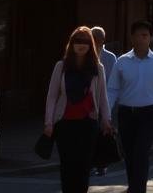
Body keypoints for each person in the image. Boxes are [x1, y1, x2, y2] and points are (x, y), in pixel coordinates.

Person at [106, 20, 153, 193]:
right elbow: (112, 90)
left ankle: (137, 189)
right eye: (138, 35)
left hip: (149, 113)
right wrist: (106, 115)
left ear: (151, 38)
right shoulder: (122, 62)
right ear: (132, 37)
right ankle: (133, 187)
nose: (141, 39)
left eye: (145, 35)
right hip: (126, 112)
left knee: (141, 152)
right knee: (129, 154)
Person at [44, 26, 110, 193]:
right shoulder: (61, 66)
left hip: (88, 125)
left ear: (91, 45)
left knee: (84, 168)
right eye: (77, 41)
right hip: (65, 124)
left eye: (85, 42)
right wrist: (49, 122)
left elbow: (103, 97)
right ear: (71, 44)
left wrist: (106, 120)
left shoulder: (98, 68)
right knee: (67, 167)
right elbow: (52, 96)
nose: (81, 45)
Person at [89, 26, 117, 176]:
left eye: (97, 39)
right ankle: (91, 163)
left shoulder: (110, 57)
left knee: (103, 133)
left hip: (104, 101)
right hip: (88, 102)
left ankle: (101, 163)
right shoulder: (87, 55)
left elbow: (112, 83)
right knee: (90, 134)